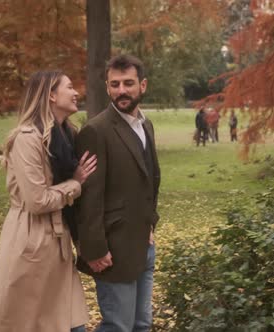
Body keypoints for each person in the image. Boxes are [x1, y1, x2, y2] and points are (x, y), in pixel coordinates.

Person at [0, 70, 97, 332]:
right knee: (28, 323)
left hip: (59, 242)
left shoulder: (67, 135)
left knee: (71, 322)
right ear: (50, 95)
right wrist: (76, 183)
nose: (76, 92)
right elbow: (37, 201)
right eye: (69, 87)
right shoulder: (27, 139)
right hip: (31, 241)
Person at [75, 54, 161, 332]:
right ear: (107, 87)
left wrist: (150, 224)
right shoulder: (95, 131)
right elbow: (89, 197)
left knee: (142, 325)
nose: (121, 90)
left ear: (143, 85)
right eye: (115, 84)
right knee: (118, 326)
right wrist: (95, 249)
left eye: (128, 83)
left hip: (143, 244)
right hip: (113, 250)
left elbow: (150, 181)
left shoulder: (145, 126)